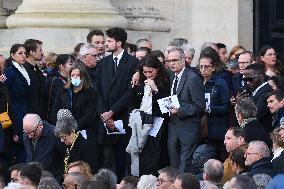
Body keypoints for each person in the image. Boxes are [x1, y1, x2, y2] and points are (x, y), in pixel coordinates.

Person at [96, 27, 139, 180]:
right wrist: (104, 114)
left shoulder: (133, 63)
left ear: (119, 43)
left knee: (122, 159)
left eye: (109, 41)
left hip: (122, 117)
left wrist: (112, 112)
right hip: (105, 119)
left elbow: (130, 92)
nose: (106, 44)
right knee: (106, 160)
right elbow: (98, 90)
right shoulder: (103, 63)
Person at [127, 54, 170, 176]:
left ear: (158, 69)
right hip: (140, 119)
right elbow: (131, 100)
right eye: (145, 72)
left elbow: (166, 107)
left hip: (157, 121)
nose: (148, 74)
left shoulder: (165, 81)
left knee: (154, 154)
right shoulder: (139, 79)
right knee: (139, 152)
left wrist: (155, 89)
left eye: (150, 71)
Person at [52, 62, 98, 172]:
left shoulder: (91, 92)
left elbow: (89, 116)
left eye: (78, 75)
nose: (75, 78)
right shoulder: (63, 91)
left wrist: (72, 127)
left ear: (83, 77)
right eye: (73, 75)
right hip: (64, 133)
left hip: (82, 132)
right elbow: (54, 111)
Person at [167, 47, 205, 173]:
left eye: (174, 60)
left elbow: (200, 105)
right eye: (169, 60)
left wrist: (180, 110)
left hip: (188, 128)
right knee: (174, 164)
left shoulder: (192, 78)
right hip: (173, 126)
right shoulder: (171, 76)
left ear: (183, 60)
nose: (171, 63)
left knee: (185, 166)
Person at [198, 49, 230, 161]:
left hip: (216, 129)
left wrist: (210, 109)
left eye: (206, 67)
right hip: (199, 128)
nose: (203, 70)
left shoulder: (220, 83)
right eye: (201, 66)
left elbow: (226, 107)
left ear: (213, 67)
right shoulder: (196, 82)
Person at [0, 44, 29, 163]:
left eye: (24, 53)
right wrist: (14, 129)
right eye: (20, 53)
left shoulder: (22, 70)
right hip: (13, 117)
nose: (23, 56)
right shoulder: (10, 72)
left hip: (20, 114)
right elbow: (7, 101)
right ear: (12, 55)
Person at [22, 114, 64, 180]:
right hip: (33, 178)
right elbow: (30, 156)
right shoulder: (26, 135)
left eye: (32, 132)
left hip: (51, 180)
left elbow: (66, 156)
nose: (29, 136)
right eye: (26, 132)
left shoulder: (55, 135)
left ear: (40, 126)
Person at [43, 54, 74, 123]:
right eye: (70, 64)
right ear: (61, 66)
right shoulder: (55, 81)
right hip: (56, 121)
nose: (73, 66)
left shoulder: (69, 80)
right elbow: (51, 104)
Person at [243, 63, 273, 132]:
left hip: (263, 133)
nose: (247, 83)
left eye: (250, 79)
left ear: (261, 77)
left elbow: (255, 115)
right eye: (245, 80)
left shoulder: (266, 91)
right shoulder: (254, 91)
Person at [23, 39, 46, 117]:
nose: (42, 53)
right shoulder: (23, 71)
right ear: (32, 52)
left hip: (40, 116)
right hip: (28, 118)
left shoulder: (38, 71)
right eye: (40, 50)